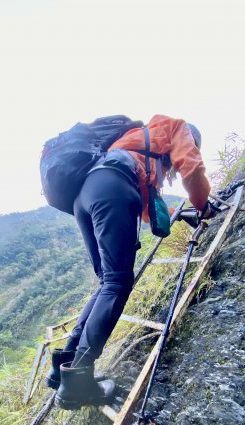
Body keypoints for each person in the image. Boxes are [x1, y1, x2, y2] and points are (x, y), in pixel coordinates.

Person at [46, 114, 214, 410]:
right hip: (110, 189)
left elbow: (146, 210)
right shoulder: (177, 128)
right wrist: (204, 207)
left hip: (86, 196)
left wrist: (176, 213)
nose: (174, 166)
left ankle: (63, 366)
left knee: (107, 283)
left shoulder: (137, 144)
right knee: (117, 283)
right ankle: (79, 381)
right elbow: (193, 168)